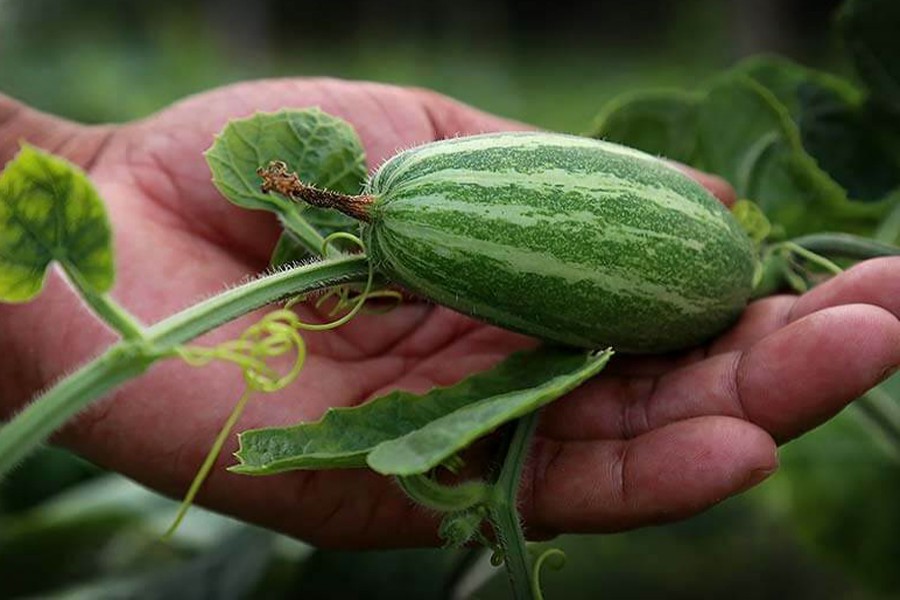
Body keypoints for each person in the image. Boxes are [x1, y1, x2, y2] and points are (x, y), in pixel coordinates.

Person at [0, 78, 897, 548]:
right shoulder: (417, 206)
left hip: (682, 254)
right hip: (443, 223)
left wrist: (74, 157)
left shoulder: (417, 199)